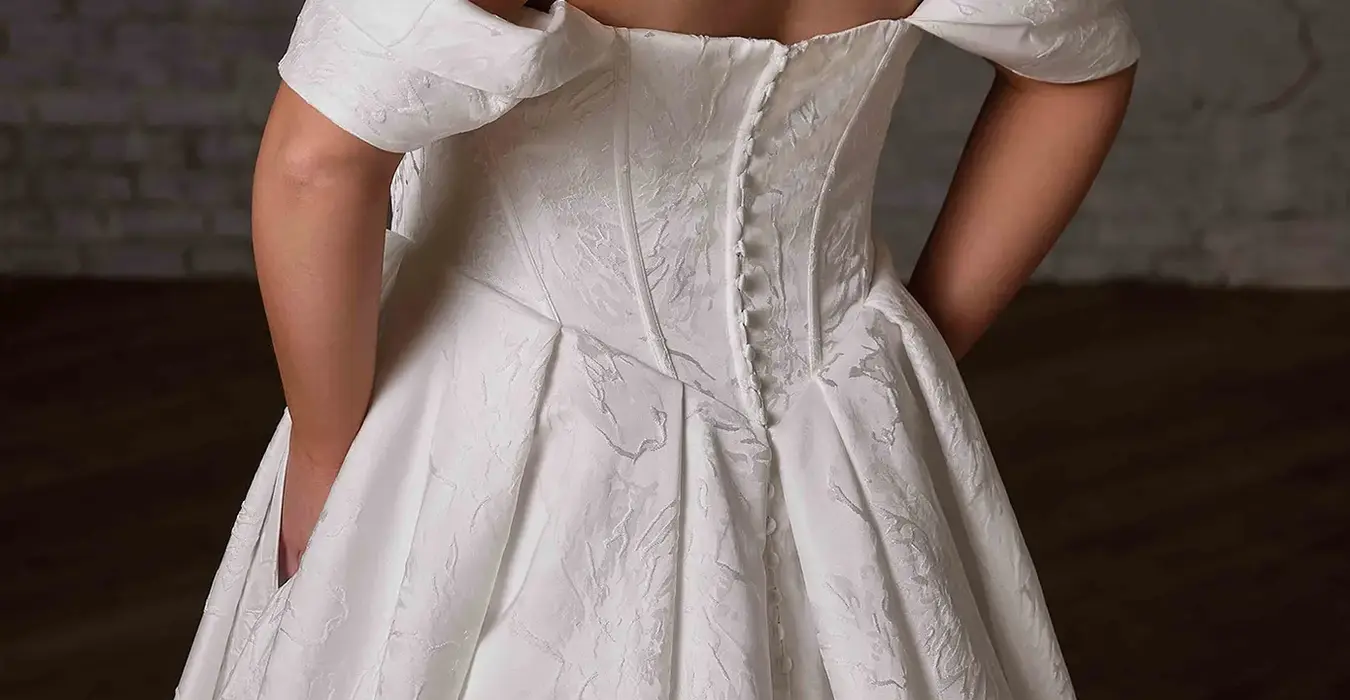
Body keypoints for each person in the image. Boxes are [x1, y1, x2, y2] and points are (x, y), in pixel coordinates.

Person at [176, 0, 1137, 697]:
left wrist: (325, 444)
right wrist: (906, 343)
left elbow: (318, 163)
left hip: (507, 422)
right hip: (839, 402)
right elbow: (1081, 68)